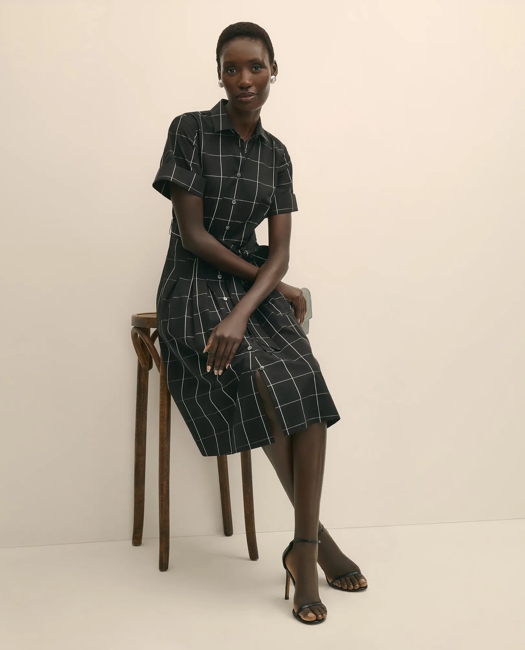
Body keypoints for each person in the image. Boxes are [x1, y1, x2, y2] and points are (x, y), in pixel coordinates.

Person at [151, 21, 367, 625]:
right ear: (219, 75)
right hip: (191, 285)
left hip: (247, 291)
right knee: (258, 377)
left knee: (307, 383)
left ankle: (304, 549)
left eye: (256, 67)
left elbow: (281, 254)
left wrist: (250, 307)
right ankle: (315, 552)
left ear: (274, 70)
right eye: (232, 68)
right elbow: (193, 237)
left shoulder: (277, 154)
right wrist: (256, 296)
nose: (244, 78)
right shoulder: (190, 129)